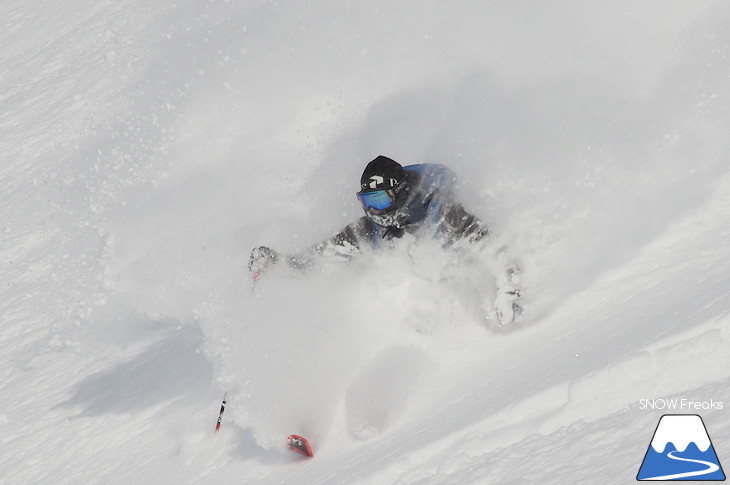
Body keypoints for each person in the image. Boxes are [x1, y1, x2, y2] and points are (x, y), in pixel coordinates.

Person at [249, 155, 522, 325]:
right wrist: (281, 263)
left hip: (461, 319)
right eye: (366, 201)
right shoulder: (371, 228)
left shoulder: (444, 212)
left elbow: (491, 246)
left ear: (400, 192)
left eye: (379, 200)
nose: (373, 210)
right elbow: (325, 255)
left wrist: (509, 289)